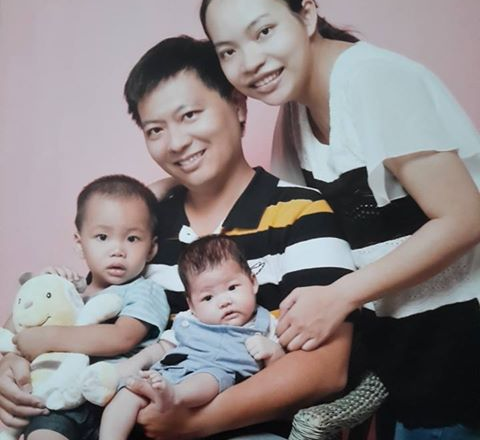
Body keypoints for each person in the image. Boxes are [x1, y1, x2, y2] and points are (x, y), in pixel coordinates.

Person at [0, 35, 355, 440]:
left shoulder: (301, 212)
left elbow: (326, 370)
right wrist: (9, 358)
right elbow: (74, 299)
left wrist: (195, 423)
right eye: (155, 130)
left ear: (238, 106)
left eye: (189, 115)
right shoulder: (145, 229)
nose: (176, 143)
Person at [199, 0, 480, 440]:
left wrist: (340, 296)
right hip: (401, 354)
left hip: (463, 341)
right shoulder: (295, 112)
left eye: (264, 31)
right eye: (228, 51)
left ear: (307, 15)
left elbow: (465, 217)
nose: (250, 62)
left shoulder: (374, 80)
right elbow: (290, 217)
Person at [5, 174, 169, 440]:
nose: (117, 250)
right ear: (80, 244)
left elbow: (123, 337)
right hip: (59, 399)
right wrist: (42, 289)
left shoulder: (144, 290)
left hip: (116, 401)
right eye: (102, 237)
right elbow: (15, 330)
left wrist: (49, 337)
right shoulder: (71, 291)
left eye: (132, 239)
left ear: (151, 249)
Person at [89, 234, 284, 440]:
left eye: (232, 288)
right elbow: (163, 347)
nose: (224, 301)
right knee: (127, 393)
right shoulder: (188, 320)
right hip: (166, 374)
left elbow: (281, 372)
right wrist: (134, 364)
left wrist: (273, 352)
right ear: (192, 305)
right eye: (208, 297)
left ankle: (175, 395)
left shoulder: (266, 324)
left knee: (210, 377)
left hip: (215, 386)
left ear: (253, 283)